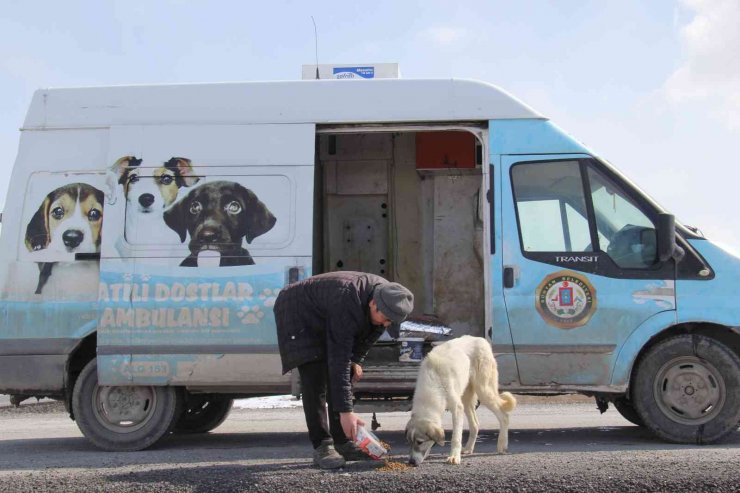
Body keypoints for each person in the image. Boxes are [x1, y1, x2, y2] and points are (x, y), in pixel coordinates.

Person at [274, 271, 414, 469]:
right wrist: (347, 412)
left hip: (326, 310)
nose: (385, 324)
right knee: (316, 377)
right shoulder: (348, 302)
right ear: (373, 303)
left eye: (390, 322)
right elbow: (338, 360)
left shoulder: (388, 301)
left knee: (345, 371)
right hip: (298, 310)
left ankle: (342, 443)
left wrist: (356, 360)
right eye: (384, 319)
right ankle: (323, 445)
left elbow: (371, 333)